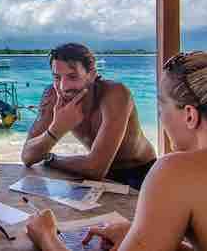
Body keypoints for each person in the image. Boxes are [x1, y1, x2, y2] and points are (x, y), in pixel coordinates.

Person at [26, 38, 207, 251]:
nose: (159, 117)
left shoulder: (176, 170)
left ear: (190, 115)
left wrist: (48, 238)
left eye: (161, 108)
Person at [21, 43, 156, 189]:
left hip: (140, 171)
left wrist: (51, 159)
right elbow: (27, 157)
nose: (63, 87)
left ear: (91, 75)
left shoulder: (115, 94)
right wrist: (56, 130)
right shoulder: (53, 96)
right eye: (57, 77)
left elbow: (95, 169)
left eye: (72, 77)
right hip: (98, 174)